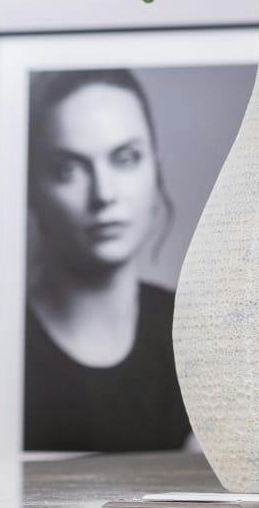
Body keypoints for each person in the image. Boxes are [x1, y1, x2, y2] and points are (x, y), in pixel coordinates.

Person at [23, 69, 191, 452]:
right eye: (67, 169)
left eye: (126, 159)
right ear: (31, 188)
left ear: (156, 168)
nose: (104, 194)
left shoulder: (196, 335)